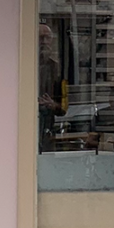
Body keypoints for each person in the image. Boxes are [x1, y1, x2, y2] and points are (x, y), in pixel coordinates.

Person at [38, 23, 66, 151]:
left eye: (47, 38)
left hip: (48, 128)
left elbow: (64, 108)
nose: (43, 42)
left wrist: (52, 104)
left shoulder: (57, 69)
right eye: (40, 37)